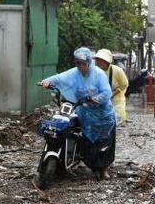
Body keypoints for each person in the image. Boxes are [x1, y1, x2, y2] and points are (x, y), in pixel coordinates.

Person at [39, 47, 116, 178]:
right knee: (85, 140)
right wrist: (47, 81)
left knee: (104, 144)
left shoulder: (98, 74)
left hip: (102, 115)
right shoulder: (73, 73)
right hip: (84, 113)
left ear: (89, 62)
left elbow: (107, 92)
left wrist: (96, 99)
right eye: (77, 63)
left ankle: (103, 169)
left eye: (83, 63)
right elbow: (59, 78)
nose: (80, 66)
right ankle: (83, 163)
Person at [93, 48, 128, 124]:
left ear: (107, 61)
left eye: (101, 60)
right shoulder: (93, 71)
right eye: (97, 59)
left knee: (116, 117)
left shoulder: (118, 71)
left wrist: (112, 94)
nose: (99, 62)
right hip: (99, 96)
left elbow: (124, 84)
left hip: (116, 96)